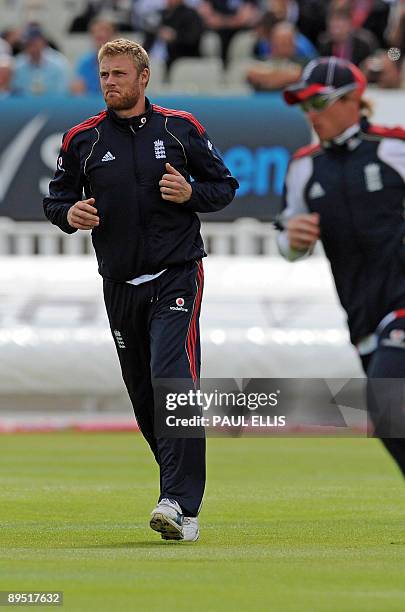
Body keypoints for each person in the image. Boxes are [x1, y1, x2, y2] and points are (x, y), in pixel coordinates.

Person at [43, 38, 238, 541]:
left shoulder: (181, 129)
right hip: (119, 283)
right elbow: (57, 199)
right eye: (105, 75)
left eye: (119, 75)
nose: (110, 83)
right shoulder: (81, 140)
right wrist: (69, 214)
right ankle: (176, 495)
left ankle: (179, 504)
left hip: (177, 274)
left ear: (143, 78)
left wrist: (192, 193)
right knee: (144, 397)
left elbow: (225, 186)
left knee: (171, 379)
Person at [277, 56, 405, 477]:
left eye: (319, 103)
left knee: (386, 403)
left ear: (353, 99)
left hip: (399, 306)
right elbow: (287, 240)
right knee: (391, 420)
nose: (311, 115)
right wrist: (293, 241)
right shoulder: (303, 166)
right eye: (305, 107)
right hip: (361, 315)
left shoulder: (393, 147)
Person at [12, 24, 70, 95]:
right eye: (28, 44)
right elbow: (15, 92)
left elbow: (62, 92)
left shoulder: (59, 64)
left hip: (53, 105)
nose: (32, 48)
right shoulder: (17, 65)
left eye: (35, 44)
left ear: (44, 43)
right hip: (24, 105)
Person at [71, 17, 118, 95]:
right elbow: (78, 90)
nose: (100, 34)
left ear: (114, 35)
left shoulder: (123, 62)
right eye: (96, 31)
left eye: (105, 30)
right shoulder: (84, 62)